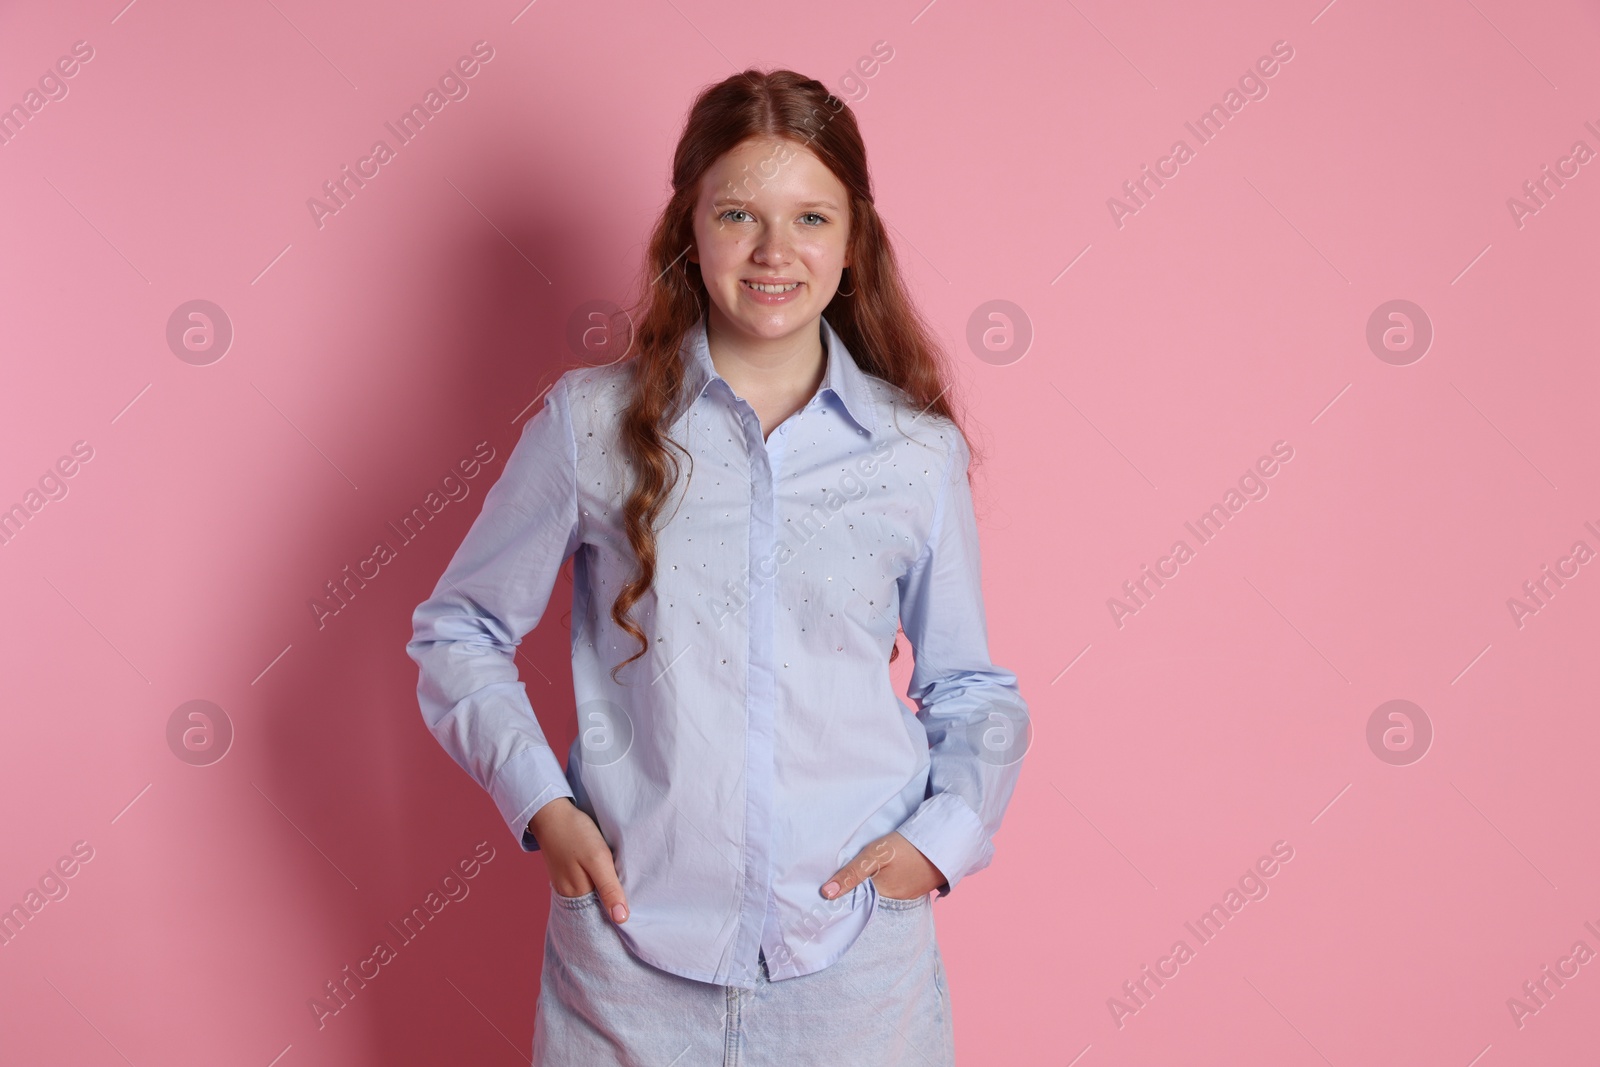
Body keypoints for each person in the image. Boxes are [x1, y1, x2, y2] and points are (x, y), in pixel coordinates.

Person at [406, 67, 1029, 1067]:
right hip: (628, 957)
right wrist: (542, 806)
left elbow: (969, 685)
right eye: (738, 212)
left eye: (811, 217)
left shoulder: (915, 452)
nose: (775, 251)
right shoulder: (591, 425)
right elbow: (457, 631)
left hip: (856, 972)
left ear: (853, 239)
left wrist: (941, 840)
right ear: (689, 230)